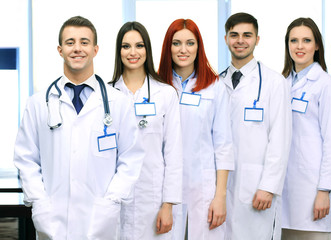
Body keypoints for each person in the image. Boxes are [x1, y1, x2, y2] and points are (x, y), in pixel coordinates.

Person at [13, 16, 144, 240]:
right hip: (52, 219)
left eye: (84, 42)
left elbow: (130, 159)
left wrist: (111, 200)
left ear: (95, 49)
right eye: (70, 42)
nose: (77, 48)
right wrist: (40, 202)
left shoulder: (118, 103)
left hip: (101, 217)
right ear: (60, 49)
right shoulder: (38, 104)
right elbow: (26, 159)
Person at [158, 19, 234, 240]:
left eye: (190, 43)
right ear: (167, 47)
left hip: (203, 186)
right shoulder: (156, 86)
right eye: (176, 43)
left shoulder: (215, 87)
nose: (183, 50)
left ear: (198, 47)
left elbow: (223, 145)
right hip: (164, 187)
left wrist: (220, 196)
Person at [219, 12, 292, 239]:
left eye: (247, 35)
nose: (240, 40)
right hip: (221, 190)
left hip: (256, 189)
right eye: (235, 35)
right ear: (226, 39)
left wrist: (268, 186)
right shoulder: (216, 82)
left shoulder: (274, 82)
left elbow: (280, 138)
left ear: (257, 40)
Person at [109, 21, 183, 239]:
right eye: (126, 46)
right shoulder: (106, 94)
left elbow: (174, 154)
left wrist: (168, 205)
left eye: (139, 46)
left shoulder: (165, 94)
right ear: (118, 51)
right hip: (114, 199)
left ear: (147, 50)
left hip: (153, 198)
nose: (133, 52)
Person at [281, 17, 331, 240]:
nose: (299, 46)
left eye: (306, 40)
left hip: (311, 191)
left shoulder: (326, 84)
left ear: (317, 45)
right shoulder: (282, 83)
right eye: (294, 40)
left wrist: (325, 191)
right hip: (283, 190)